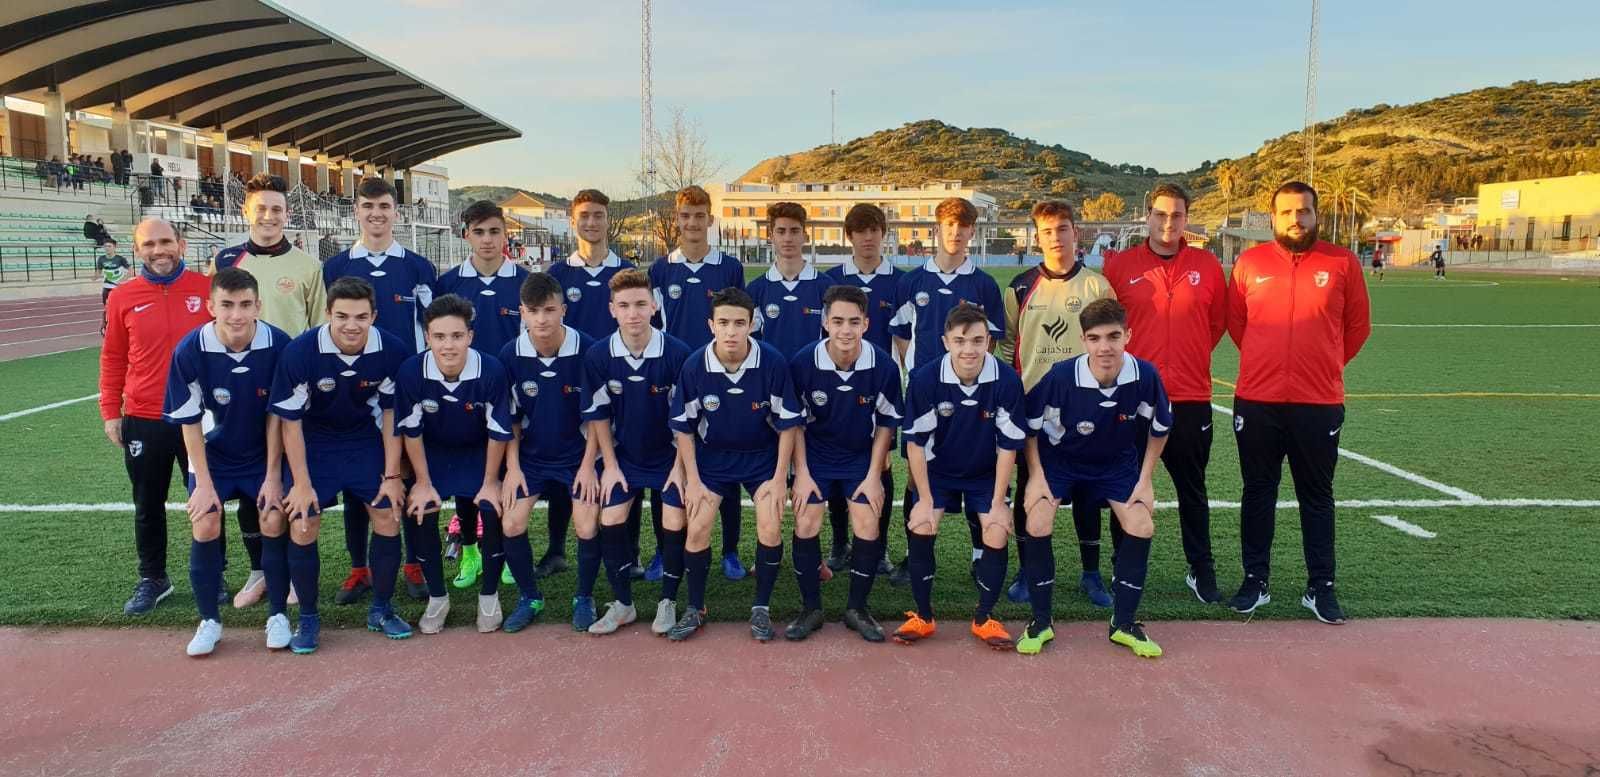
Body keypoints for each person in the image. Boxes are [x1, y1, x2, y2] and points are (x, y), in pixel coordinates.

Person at [1227, 180, 1371, 625]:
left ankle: (1321, 587)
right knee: (1257, 492)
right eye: (1287, 212)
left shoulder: (1342, 263)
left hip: (1318, 402)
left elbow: (1357, 327)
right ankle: (1256, 580)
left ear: (1316, 214)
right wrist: (1267, 364)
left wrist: (1323, 364)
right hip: (1257, 400)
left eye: (1303, 211)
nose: (1296, 219)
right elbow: (1237, 325)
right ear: (1273, 217)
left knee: (1317, 495)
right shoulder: (1249, 263)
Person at [1023, 298, 1172, 657]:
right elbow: (1028, 427)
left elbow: (1161, 427)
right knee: (1038, 519)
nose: (1104, 347)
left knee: (1141, 525)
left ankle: (1124, 624)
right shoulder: (1061, 376)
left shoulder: (1145, 375)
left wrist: (1146, 478)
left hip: (1116, 463)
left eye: (1113, 336)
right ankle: (1041, 621)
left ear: (1127, 336)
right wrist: (1036, 476)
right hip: (1060, 460)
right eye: (1094, 338)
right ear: (1083, 340)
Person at [269, 277, 412, 653]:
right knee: (303, 519)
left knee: (387, 513)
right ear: (328, 313)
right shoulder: (301, 352)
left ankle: (381, 608)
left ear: (374, 316)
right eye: (343, 316)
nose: (352, 325)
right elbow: (291, 423)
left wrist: (393, 475)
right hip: (315, 442)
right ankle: (309, 619)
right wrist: (300, 483)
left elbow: (390, 415)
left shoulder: (391, 350)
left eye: (362, 317)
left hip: (362, 440)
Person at [1102, 184, 1229, 604]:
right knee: (1125, 485)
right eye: (1160, 215)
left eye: (1176, 215)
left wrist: (1186, 360)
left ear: (1186, 218)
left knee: (1192, 487)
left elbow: (1215, 324)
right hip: (1133, 396)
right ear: (1148, 216)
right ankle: (1124, 568)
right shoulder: (1121, 267)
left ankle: (1201, 568)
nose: (1168, 223)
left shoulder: (1208, 265)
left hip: (1190, 398)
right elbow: (1109, 326)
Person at [319, 176, 439, 603]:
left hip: (404, 390)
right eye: (368, 206)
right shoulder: (334, 268)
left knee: (407, 475)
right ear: (356, 211)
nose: (376, 214)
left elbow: (433, 328)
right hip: (352, 391)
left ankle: (413, 564)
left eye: (385, 206)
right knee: (360, 482)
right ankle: (359, 568)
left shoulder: (418, 267)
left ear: (396, 212)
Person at [161, 268, 291, 655]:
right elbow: (189, 423)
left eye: (245, 305)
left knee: (272, 515)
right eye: (227, 305)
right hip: (213, 458)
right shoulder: (190, 350)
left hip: (261, 456)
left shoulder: (278, 344)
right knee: (205, 522)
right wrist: (203, 484)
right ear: (210, 306)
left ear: (258, 305)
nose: (236, 315)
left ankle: (278, 614)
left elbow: (278, 416)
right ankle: (209, 621)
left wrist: (271, 476)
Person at [999, 200, 1118, 609]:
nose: (1055, 237)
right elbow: (1010, 344)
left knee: (1087, 491)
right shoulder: (1019, 286)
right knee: (1033, 489)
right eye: (1047, 231)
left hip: (1087, 405)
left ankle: (1090, 572)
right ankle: (1027, 570)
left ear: (1075, 233)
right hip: (1034, 406)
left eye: (1062, 229)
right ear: (1038, 236)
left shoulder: (1097, 286)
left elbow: (1109, 341)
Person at [668, 287, 803, 641]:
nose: (731, 331)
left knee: (770, 525)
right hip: (712, 458)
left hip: (761, 458)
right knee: (696, 526)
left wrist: (778, 479)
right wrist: (693, 481)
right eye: (724, 323)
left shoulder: (771, 362)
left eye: (739, 323)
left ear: (752, 324)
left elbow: (789, 424)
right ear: (710, 324)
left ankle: (761, 608)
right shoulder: (695, 365)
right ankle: (696, 607)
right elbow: (683, 427)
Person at [889, 197, 1005, 588]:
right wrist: (921, 375)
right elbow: (902, 336)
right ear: (937, 229)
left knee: (979, 468)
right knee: (915, 473)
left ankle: (978, 556)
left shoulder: (984, 284)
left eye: (963, 226)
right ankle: (915, 556)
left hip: (973, 396)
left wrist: (969, 374)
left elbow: (991, 342)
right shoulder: (911, 281)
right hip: (925, 396)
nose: (956, 233)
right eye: (949, 225)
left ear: (973, 231)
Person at [99, 219, 214, 615]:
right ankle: (153, 578)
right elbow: (113, 356)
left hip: (198, 417)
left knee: (206, 496)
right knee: (147, 501)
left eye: (166, 241)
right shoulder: (122, 296)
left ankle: (212, 572)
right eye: (149, 244)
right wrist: (110, 412)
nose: (159, 250)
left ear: (180, 244)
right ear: (138, 250)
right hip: (144, 416)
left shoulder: (206, 289)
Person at [895, 303, 1026, 650]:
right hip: (939, 472)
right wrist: (923, 499)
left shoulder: (1006, 380)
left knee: (996, 530)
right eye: (960, 340)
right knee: (922, 524)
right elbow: (916, 445)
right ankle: (923, 616)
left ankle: (984, 618)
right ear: (945, 341)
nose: (969, 349)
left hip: (984, 473)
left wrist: (999, 503)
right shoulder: (925, 378)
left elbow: (1009, 447)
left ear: (990, 342)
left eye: (978, 341)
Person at [394, 294, 516, 634]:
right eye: (439, 337)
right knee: (422, 507)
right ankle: (438, 597)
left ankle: (489, 595)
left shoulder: (491, 370)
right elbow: (411, 432)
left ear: (470, 337)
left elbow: (498, 431)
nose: (448, 345)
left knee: (492, 507)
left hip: (479, 452)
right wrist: (421, 480)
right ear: (428, 336)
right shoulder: (411, 371)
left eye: (457, 336)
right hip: (433, 454)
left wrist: (491, 480)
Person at [581, 269, 693, 635]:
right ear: (612, 309)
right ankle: (623, 605)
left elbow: (686, 420)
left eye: (641, 304)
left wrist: (680, 468)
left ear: (655, 305)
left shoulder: (677, 353)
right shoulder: (599, 355)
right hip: (624, 457)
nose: (633, 313)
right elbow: (597, 416)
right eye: (625, 305)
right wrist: (609, 466)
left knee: (674, 519)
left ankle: (667, 601)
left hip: (668, 457)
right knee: (610, 518)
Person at [788, 285, 903, 641]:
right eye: (837, 321)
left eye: (854, 321)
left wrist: (873, 476)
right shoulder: (804, 362)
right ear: (825, 323)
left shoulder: (882, 364)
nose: (845, 330)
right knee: (807, 517)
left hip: (859, 456)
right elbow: (794, 425)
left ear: (866, 324)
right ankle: (811, 608)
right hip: (815, 455)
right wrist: (802, 474)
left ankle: (857, 608)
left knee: (868, 518)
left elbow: (886, 423)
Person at [648, 184, 749, 581]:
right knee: (669, 467)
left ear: (710, 219)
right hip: (674, 379)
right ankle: (662, 549)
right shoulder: (660, 269)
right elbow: (656, 328)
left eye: (699, 215)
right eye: (685, 216)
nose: (692, 223)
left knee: (723, 462)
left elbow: (736, 320)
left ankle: (729, 551)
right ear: (677, 220)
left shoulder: (729, 267)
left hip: (719, 377)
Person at [428, 201, 530, 591]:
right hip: (460, 392)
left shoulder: (522, 281)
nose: (487, 240)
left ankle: (503, 550)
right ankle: (469, 550)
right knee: (467, 480)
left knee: (503, 475)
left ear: (505, 235)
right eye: (479, 231)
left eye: (494, 231)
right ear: (465, 234)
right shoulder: (450, 282)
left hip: (506, 394)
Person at [499, 273, 598, 632]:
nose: (542, 319)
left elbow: (599, 419)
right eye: (534, 311)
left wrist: (589, 467)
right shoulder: (510, 355)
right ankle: (530, 597)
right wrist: (512, 468)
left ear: (564, 310)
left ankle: (583, 597)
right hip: (532, 458)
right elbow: (509, 419)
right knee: (511, 521)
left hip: (579, 455)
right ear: (521, 313)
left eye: (550, 310)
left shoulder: (588, 350)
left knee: (587, 523)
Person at [545, 188, 631, 577]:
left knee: (620, 464)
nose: (592, 222)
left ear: (607, 220)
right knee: (570, 459)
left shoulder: (627, 271)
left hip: (621, 383)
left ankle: (627, 553)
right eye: (585, 216)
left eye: (598, 215)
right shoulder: (558, 275)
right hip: (569, 384)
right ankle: (556, 549)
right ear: (572, 221)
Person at [822, 203, 901, 576]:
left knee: (880, 466)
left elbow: (904, 339)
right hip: (836, 391)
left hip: (879, 391)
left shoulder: (899, 280)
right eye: (860, 231)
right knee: (837, 466)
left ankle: (879, 547)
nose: (868, 238)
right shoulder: (831, 279)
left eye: (874, 230)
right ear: (849, 236)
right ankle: (840, 543)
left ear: (883, 234)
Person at [213, 174, 327, 336]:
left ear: (287, 214)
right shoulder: (224, 262)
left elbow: (320, 329)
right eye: (260, 208)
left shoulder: (310, 266)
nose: (268, 216)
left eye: (276, 210)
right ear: (245, 212)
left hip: (288, 361)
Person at [746, 202, 827, 359]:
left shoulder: (825, 286)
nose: (788, 238)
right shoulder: (755, 289)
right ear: (771, 237)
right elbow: (751, 343)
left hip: (813, 378)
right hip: (772, 377)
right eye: (781, 231)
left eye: (794, 231)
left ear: (804, 236)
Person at [98, 239, 131, 333]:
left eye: (109, 246)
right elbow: (99, 271)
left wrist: (121, 281)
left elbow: (131, 271)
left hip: (118, 289)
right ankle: (106, 325)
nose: (107, 248)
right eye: (105, 246)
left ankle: (121, 326)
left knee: (120, 308)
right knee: (106, 308)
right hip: (107, 288)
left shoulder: (120, 259)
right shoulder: (101, 259)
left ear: (114, 247)